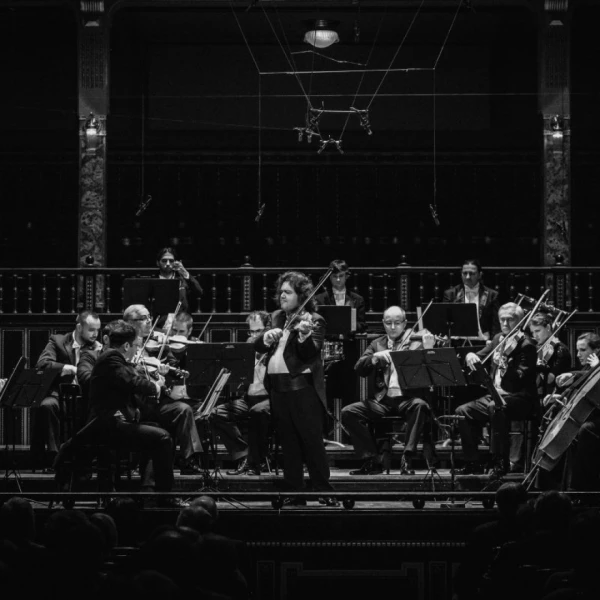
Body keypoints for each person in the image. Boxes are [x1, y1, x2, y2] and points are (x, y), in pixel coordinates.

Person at [254, 271, 337, 506]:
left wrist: (304, 335)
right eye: (281, 291)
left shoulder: (314, 319)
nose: (282, 295)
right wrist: (266, 338)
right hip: (277, 390)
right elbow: (258, 346)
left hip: (302, 390)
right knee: (288, 443)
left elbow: (310, 353)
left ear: (301, 295)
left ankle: (324, 490)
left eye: (288, 292)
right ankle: (295, 491)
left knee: (311, 441)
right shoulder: (276, 317)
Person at [341, 305, 437, 475]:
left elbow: (432, 371)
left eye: (397, 323)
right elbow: (359, 368)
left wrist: (429, 348)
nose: (393, 327)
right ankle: (372, 459)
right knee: (348, 412)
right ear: (383, 323)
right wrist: (374, 358)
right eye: (388, 323)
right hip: (383, 400)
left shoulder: (416, 342)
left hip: (407, 399)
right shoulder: (377, 344)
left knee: (420, 406)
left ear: (405, 323)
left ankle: (407, 458)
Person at [456, 302, 537, 477]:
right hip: (496, 395)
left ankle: (499, 462)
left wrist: (507, 365)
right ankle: (472, 462)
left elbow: (520, 379)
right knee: (463, 411)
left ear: (520, 320)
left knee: (496, 407)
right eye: (502, 319)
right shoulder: (498, 339)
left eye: (510, 319)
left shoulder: (527, 345)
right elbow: (481, 355)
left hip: (520, 398)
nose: (505, 323)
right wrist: (470, 355)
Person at [124, 304, 203, 474]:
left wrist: (167, 370)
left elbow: (173, 367)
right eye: (144, 319)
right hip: (136, 404)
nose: (149, 322)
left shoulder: (158, 343)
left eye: (149, 318)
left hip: (157, 402)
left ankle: (188, 460)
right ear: (131, 322)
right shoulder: (124, 344)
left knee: (184, 409)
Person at [32, 310, 102, 470]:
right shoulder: (58, 341)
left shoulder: (97, 347)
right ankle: (55, 457)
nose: (95, 334)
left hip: (85, 397)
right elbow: (42, 364)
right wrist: (68, 368)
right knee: (46, 406)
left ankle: (89, 459)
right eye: (91, 330)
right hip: (60, 395)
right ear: (79, 327)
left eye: (98, 330)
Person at [210, 311, 272, 476]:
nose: (254, 335)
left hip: (270, 399)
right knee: (217, 413)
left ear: (267, 329)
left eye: (258, 331)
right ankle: (244, 455)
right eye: (251, 331)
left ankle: (256, 462)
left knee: (258, 412)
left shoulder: (274, 348)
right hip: (249, 398)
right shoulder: (247, 348)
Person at [314, 259, 366, 432]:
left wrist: (349, 325)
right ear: (329, 277)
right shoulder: (320, 299)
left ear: (347, 276)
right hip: (327, 349)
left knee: (349, 390)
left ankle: (348, 430)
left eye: (341, 276)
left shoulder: (357, 299)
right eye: (334, 276)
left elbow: (362, 324)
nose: (338, 280)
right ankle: (328, 430)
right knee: (327, 390)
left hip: (349, 349)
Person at [544, 333, 600, 491]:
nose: (578, 354)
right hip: (591, 415)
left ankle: (586, 487)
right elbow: (580, 392)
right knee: (570, 431)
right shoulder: (588, 368)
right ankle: (564, 486)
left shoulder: (596, 366)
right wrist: (560, 397)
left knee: (585, 430)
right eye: (577, 350)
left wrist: (597, 367)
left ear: (596, 350)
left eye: (583, 350)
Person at [443, 259, 500, 341]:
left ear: (480, 275)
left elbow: (495, 324)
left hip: (483, 341)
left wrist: (493, 342)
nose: (468, 277)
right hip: (457, 341)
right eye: (465, 273)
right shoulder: (451, 294)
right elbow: (445, 321)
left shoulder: (492, 295)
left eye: (472, 274)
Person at [157, 247, 203, 313]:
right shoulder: (153, 280)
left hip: (181, 317)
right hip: (160, 317)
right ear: (157, 263)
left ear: (176, 262)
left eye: (171, 261)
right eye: (164, 261)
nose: (168, 264)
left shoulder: (183, 280)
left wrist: (184, 272)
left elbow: (199, 292)